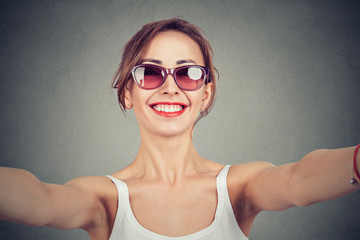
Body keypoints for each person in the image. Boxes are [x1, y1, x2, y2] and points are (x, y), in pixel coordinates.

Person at [0, 18, 359, 240]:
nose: (170, 87)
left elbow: (298, 179)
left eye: (187, 73)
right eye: (151, 72)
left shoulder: (239, 188)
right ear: (128, 92)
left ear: (206, 95)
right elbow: (40, 200)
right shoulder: (103, 199)